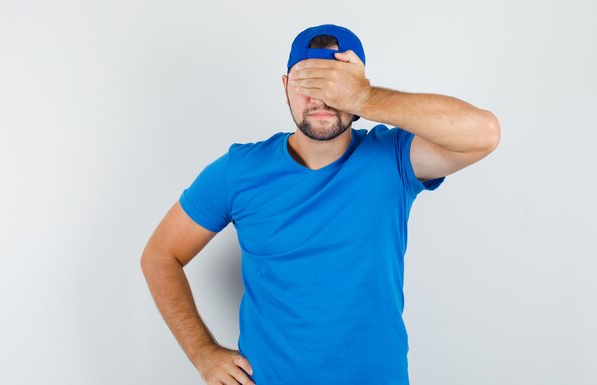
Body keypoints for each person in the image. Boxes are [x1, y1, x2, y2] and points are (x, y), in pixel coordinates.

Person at [141, 24, 501, 385]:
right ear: (285, 88)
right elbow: (160, 256)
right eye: (307, 82)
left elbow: (483, 133)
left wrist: (365, 97)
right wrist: (202, 353)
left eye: (335, 83)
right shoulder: (238, 171)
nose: (321, 98)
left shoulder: (393, 158)